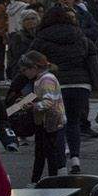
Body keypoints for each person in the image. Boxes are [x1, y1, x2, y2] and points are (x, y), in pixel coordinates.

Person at [28, 6, 98, 174]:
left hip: (54, 83)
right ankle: (75, 159)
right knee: (74, 122)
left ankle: (61, 166)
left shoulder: (42, 37)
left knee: (58, 125)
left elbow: (30, 58)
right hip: (80, 84)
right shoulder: (79, 35)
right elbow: (92, 55)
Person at [13, 52, 66, 181]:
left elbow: (49, 102)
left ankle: (51, 181)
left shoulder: (46, 79)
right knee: (42, 153)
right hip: (44, 122)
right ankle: (38, 180)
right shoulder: (41, 79)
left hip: (50, 123)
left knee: (48, 154)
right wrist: (25, 101)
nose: (24, 73)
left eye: (25, 70)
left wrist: (32, 105)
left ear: (34, 67)